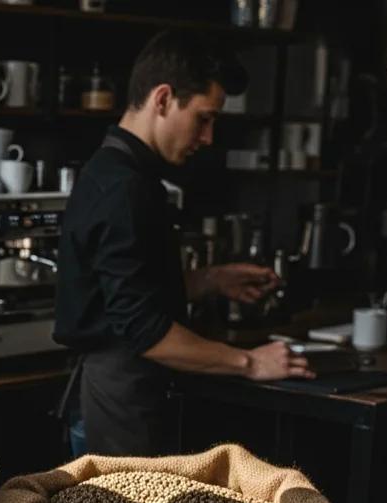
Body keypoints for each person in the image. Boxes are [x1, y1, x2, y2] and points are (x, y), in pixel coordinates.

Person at [54, 30, 314, 457]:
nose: (208, 137)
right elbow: (145, 331)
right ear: (162, 99)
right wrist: (252, 362)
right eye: (203, 118)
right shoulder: (125, 188)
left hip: (124, 392)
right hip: (119, 402)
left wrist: (210, 280)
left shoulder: (118, 172)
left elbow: (120, 293)